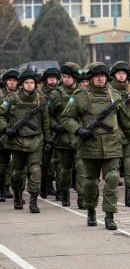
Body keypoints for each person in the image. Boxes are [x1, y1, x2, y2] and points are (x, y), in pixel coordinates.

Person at [60, 63, 130, 229]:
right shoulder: (81, 95)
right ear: (90, 78)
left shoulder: (115, 95)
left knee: (112, 178)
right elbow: (66, 118)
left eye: (103, 75)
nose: (100, 78)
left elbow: (126, 121)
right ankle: (91, 210)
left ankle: (109, 215)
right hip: (90, 146)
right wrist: (79, 130)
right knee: (91, 183)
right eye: (96, 76)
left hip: (112, 145)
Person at [0, 69, 50, 213]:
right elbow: (1, 115)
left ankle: (33, 201)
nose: (29, 85)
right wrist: (5, 129)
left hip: (36, 141)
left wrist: (48, 140)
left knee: (35, 171)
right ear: (22, 84)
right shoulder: (12, 99)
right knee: (17, 173)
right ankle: (17, 196)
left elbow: (45, 121)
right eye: (27, 83)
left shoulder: (41, 99)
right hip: (17, 142)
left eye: (32, 83)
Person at [48, 62, 85, 207]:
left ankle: (81, 196)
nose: (66, 79)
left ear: (75, 78)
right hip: (62, 139)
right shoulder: (55, 94)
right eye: (64, 76)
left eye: (69, 77)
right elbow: (49, 116)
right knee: (65, 170)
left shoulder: (83, 94)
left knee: (81, 168)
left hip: (78, 137)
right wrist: (55, 126)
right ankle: (64, 193)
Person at [110, 61, 130, 207]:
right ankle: (112, 195)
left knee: (129, 163)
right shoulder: (109, 92)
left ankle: (129, 195)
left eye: (124, 73)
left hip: (129, 132)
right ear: (114, 75)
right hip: (113, 133)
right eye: (119, 73)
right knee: (113, 167)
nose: (121, 76)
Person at [39, 67, 61, 200]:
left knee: (56, 161)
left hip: (57, 130)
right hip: (43, 131)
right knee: (45, 161)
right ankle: (43, 186)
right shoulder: (40, 94)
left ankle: (51, 185)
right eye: (50, 78)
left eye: (54, 78)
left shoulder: (60, 93)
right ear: (46, 80)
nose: (52, 80)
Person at [0, 69, 19, 201]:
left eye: (14, 81)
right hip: (3, 133)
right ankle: (3, 188)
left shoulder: (20, 95)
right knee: (3, 163)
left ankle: (12, 187)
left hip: (18, 133)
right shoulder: (2, 96)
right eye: (10, 80)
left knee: (17, 164)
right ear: (6, 82)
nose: (12, 83)